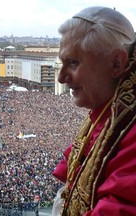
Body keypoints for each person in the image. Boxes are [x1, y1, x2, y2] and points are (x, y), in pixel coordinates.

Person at [52, 6, 136, 216]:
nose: (61, 78)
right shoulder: (105, 112)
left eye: (73, 63)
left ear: (117, 63)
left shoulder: (130, 131)